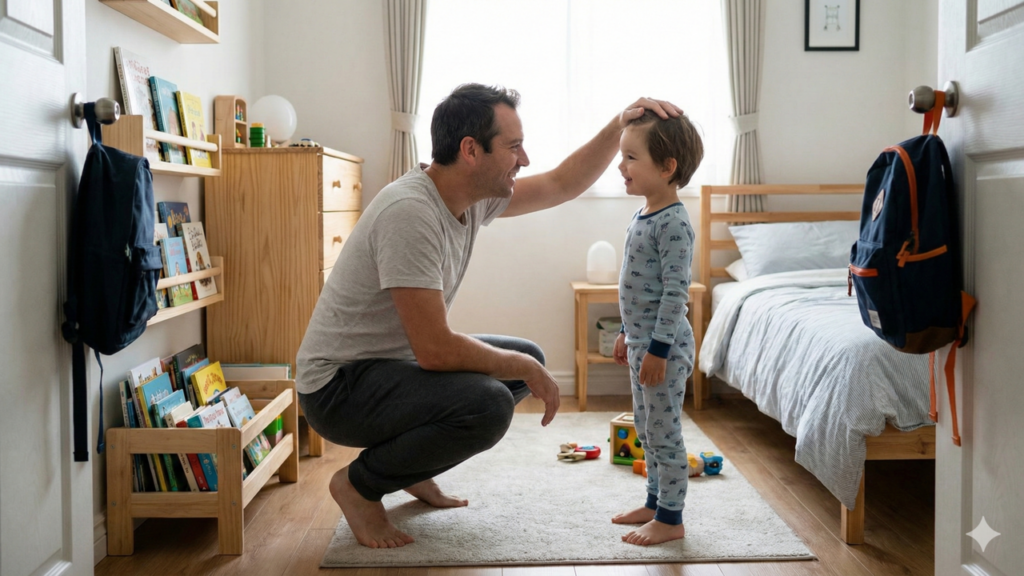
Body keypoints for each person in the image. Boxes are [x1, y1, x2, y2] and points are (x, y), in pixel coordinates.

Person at [296, 83, 682, 549]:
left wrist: (619, 124)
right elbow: (435, 350)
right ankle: (359, 486)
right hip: (337, 389)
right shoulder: (410, 213)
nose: (525, 159)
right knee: (490, 402)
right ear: (470, 150)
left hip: (386, 367)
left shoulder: (469, 195)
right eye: (514, 147)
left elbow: (561, 184)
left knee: (523, 359)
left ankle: (407, 468)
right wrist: (525, 368)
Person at [610, 109, 703, 546]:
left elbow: (674, 294)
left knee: (665, 434)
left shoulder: (674, 223)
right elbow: (637, 286)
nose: (621, 166)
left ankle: (671, 518)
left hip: (663, 350)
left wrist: (658, 350)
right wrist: (626, 333)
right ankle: (654, 501)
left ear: (667, 167)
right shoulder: (645, 213)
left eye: (631, 157)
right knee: (646, 430)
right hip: (642, 344)